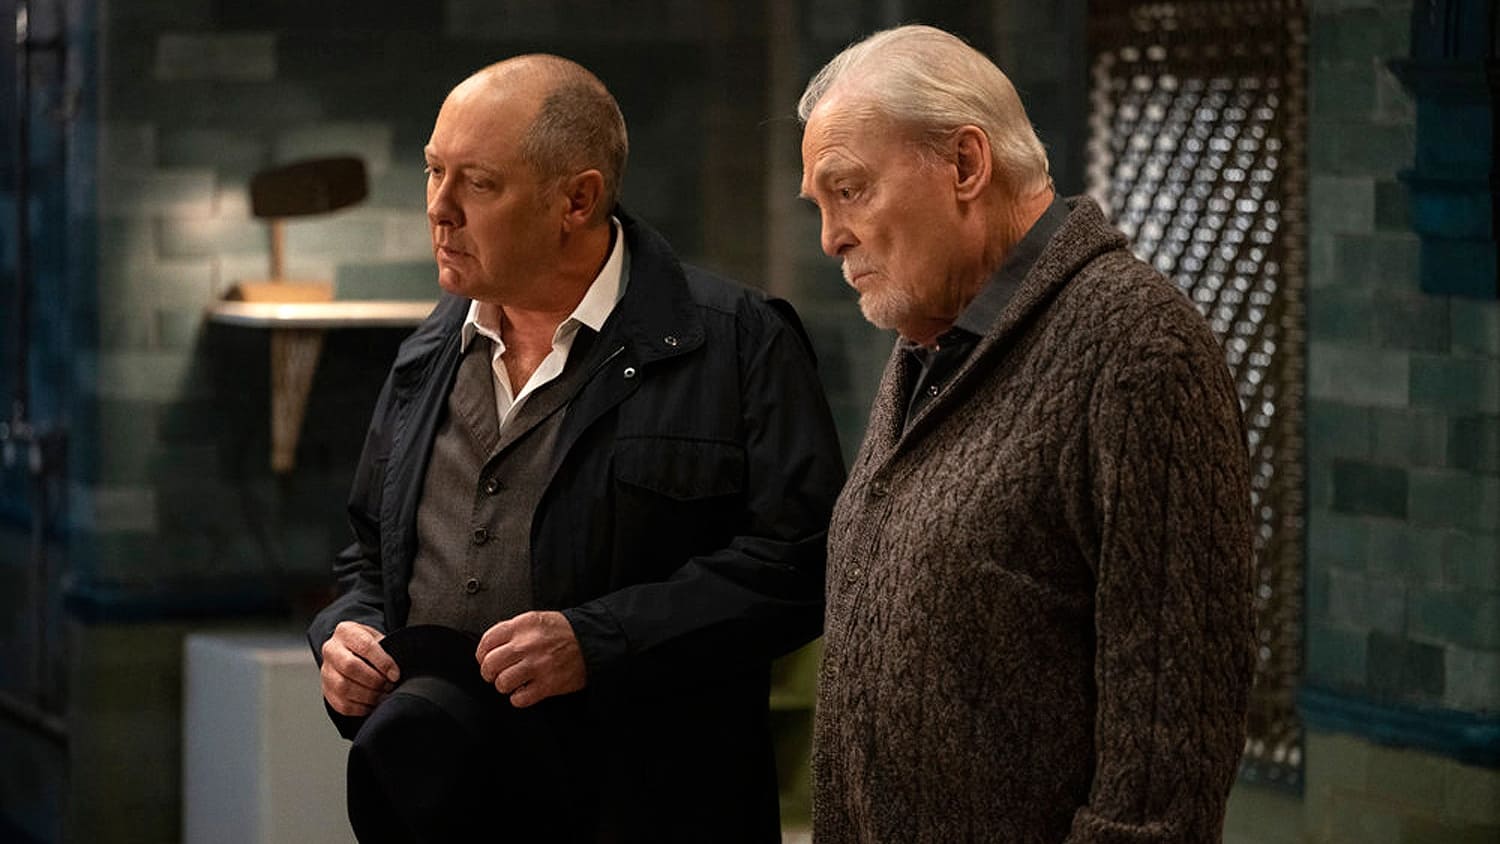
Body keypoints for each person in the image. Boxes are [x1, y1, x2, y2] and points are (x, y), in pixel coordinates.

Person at [308, 54, 845, 842]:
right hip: (449, 811)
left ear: (578, 200)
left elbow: (804, 565)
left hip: (654, 814)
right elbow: (367, 554)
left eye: (478, 183)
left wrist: (603, 640)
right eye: (433, 171)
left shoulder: (738, 341)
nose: (440, 209)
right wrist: (343, 634)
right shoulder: (426, 354)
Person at [797, 25, 1255, 843]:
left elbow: (1165, 769)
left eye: (850, 190)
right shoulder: (933, 338)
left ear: (966, 164)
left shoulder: (1139, 346)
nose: (831, 236)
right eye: (822, 205)